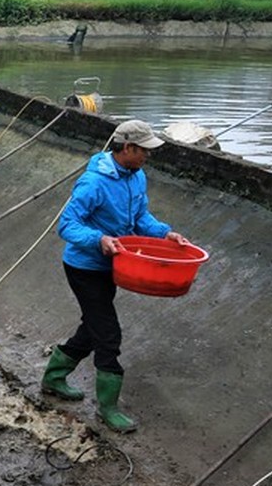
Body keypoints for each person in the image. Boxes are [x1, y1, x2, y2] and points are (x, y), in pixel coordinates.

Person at [42, 119, 190, 433]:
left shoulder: (137, 178)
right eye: (144, 151)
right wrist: (99, 239)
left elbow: (140, 219)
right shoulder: (93, 183)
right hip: (85, 267)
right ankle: (108, 409)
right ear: (127, 148)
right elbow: (67, 225)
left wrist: (166, 234)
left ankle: (54, 377)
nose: (147, 156)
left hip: (114, 267)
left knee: (93, 327)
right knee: (108, 335)